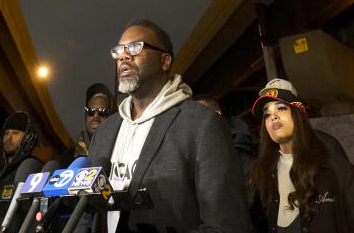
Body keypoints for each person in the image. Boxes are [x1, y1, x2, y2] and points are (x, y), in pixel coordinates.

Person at [75, 18, 249, 232]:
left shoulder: (202, 124)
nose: (123, 56)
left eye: (135, 47)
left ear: (165, 61)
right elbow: (86, 215)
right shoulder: (105, 131)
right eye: (119, 50)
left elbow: (227, 224)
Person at [250, 79, 354, 233]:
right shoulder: (261, 174)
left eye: (281, 108)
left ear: (298, 113)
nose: (273, 117)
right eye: (267, 114)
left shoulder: (335, 168)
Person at [57, 83, 114, 168]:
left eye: (103, 112)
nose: (95, 116)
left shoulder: (117, 153)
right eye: (90, 111)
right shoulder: (68, 157)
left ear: (111, 116)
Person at [0, 111, 41, 185]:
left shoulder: (35, 169)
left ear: (28, 137)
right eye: (6, 133)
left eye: (15, 133)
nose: (8, 137)